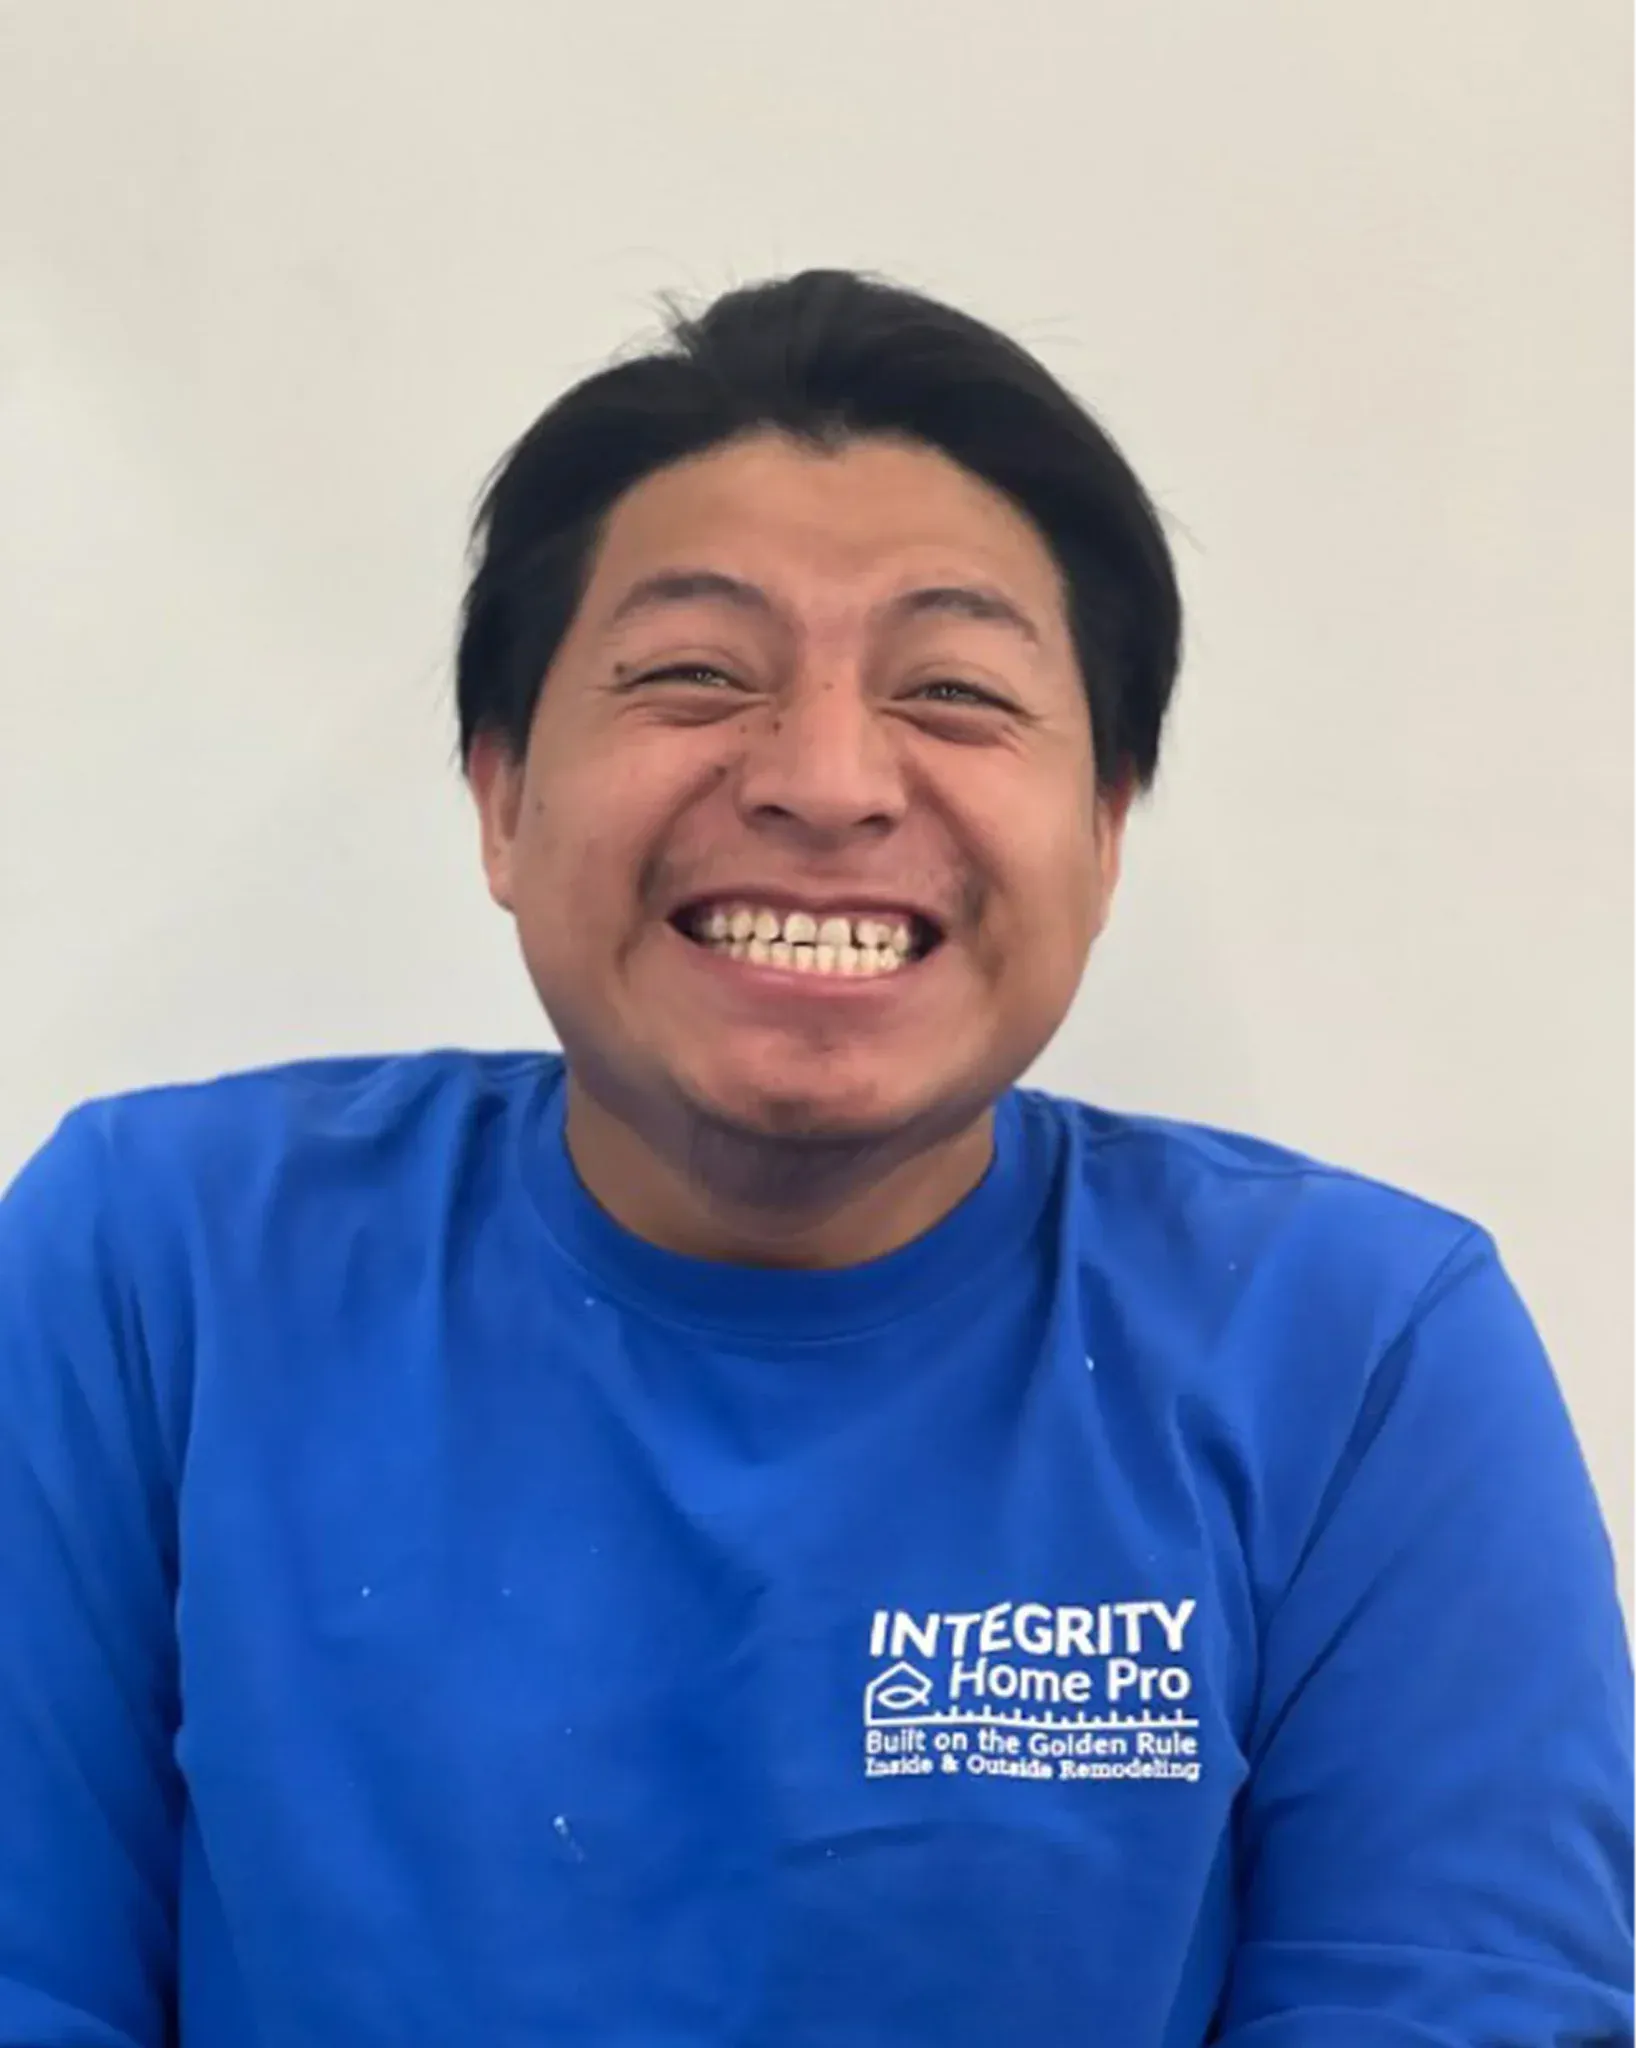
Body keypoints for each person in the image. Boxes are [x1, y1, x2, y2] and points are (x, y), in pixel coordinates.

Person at [0, 268, 1630, 2048]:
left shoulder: (1360, 1351)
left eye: (954, 690)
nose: (831, 779)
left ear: (1104, 829)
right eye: (696, 673)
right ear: (500, 796)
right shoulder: (155, 1269)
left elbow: (1456, 2005)